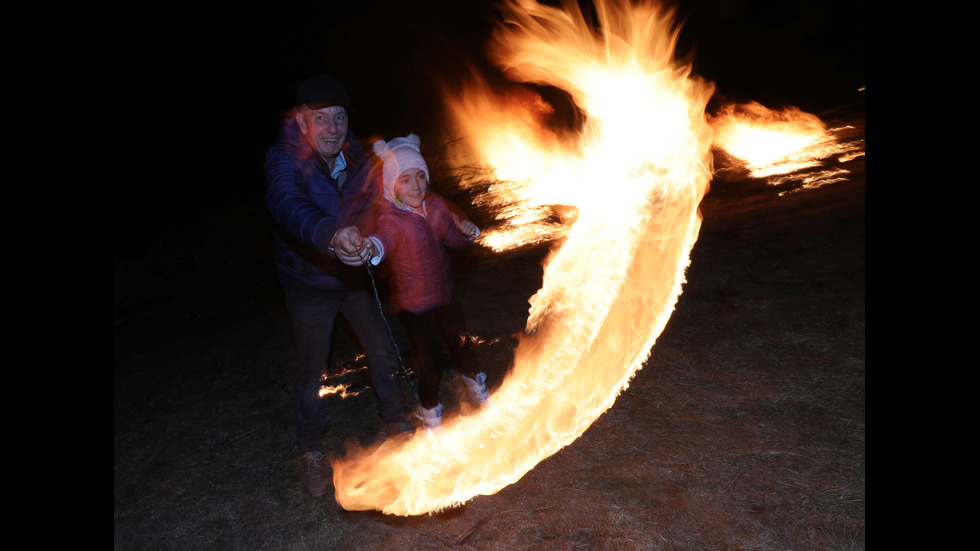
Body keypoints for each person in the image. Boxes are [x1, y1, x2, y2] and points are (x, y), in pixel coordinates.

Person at [264, 75, 410, 498]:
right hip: (308, 286)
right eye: (321, 118)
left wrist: (375, 237)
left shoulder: (356, 158)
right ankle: (311, 449)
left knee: (383, 350)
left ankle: (397, 423)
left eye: (339, 117)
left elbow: (376, 205)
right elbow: (287, 203)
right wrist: (331, 235)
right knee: (313, 372)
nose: (332, 128)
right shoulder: (284, 159)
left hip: (352, 278)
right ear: (303, 123)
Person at [355, 134, 491, 430]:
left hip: (445, 294)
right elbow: (384, 239)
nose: (415, 185)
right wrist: (373, 248)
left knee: (463, 344)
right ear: (392, 185)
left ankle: (476, 386)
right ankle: (429, 411)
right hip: (416, 305)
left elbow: (451, 239)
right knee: (430, 362)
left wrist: (465, 232)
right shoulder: (392, 218)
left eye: (420, 177)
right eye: (405, 180)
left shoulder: (436, 206)